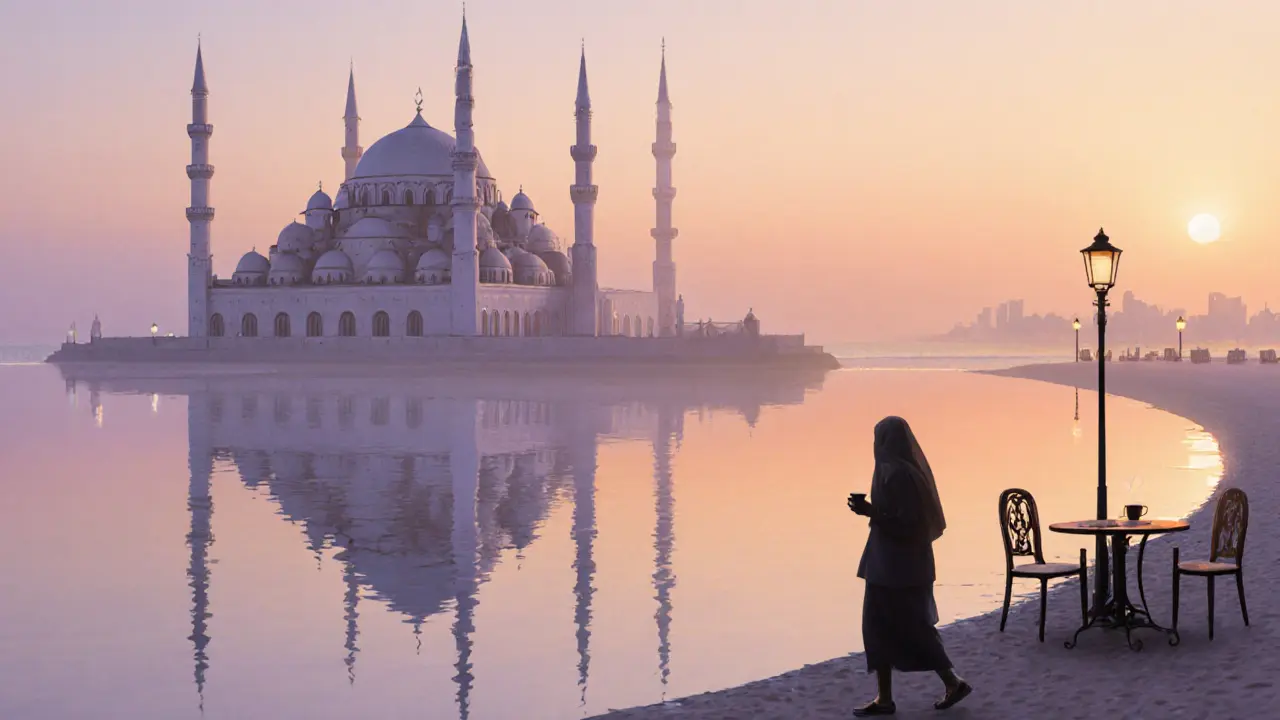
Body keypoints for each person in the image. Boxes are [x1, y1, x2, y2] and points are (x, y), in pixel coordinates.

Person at [848, 416, 971, 716]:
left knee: (911, 627)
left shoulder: (899, 475)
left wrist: (871, 512)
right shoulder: (894, 471)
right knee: (884, 628)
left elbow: (908, 524)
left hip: (898, 567)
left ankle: (951, 682)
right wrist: (873, 513)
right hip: (888, 564)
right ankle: (885, 698)